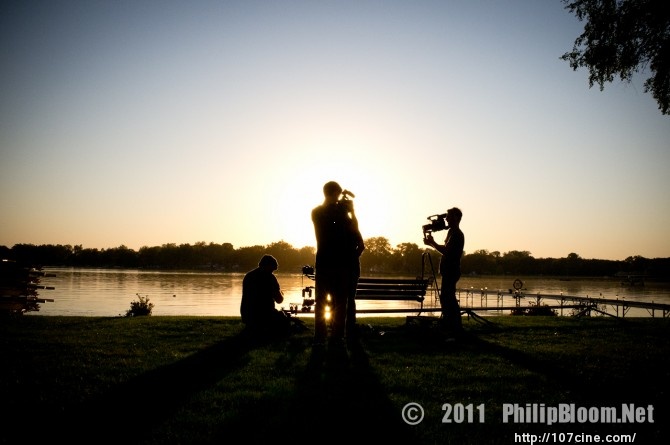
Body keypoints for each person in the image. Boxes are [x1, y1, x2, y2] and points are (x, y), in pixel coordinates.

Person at [311, 181, 365, 349]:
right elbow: (333, 224)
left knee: (337, 301)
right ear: (333, 193)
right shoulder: (320, 212)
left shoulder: (338, 213)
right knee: (328, 301)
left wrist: (351, 213)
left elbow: (354, 231)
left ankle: (332, 337)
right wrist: (345, 210)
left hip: (333, 263)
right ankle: (328, 336)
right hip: (330, 262)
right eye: (338, 194)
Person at [423, 207, 465, 339]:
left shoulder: (457, 234)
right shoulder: (452, 232)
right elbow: (445, 250)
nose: (446, 219)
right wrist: (432, 244)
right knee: (447, 298)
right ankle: (451, 325)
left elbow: (447, 251)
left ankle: (454, 326)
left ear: (456, 218)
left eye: (448, 216)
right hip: (449, 271)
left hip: (451, 271)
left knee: (448, 298)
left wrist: (432, 243)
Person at [240, 254, 290, 337]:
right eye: (272, 270)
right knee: (285, 321)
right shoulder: (270, 278)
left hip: (247, 314)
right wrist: (281, 292)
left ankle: (254, 327)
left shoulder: (248, 276)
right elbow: (279, 300)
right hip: (264, 314)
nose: (272, 272)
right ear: (269, 266)